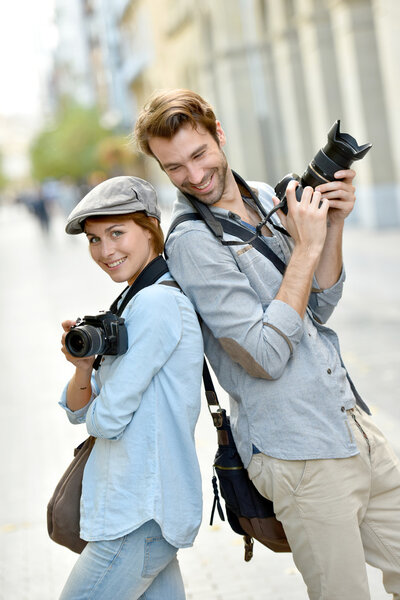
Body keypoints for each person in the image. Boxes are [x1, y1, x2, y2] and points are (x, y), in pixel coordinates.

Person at [133, 89, 400, 599]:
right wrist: (307, 246)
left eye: (199, 154)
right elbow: (264, 355)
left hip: (350, 425)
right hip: (297, 453)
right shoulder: (191, 242)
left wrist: (332, 225)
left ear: (220, 136)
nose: (193, 176)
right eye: (173, 168)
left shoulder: (260, 193)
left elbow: (316, 307)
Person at [59, 175, 203, 600]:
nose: (105, 252)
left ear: (150, 228)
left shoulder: (157, 303)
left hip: (139, 510)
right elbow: (75, 410)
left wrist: (100, 405)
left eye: (117, 233)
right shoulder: (130, 303)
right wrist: (84, 368)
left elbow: (105, 420)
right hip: (137, 509)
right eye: (94, 239)